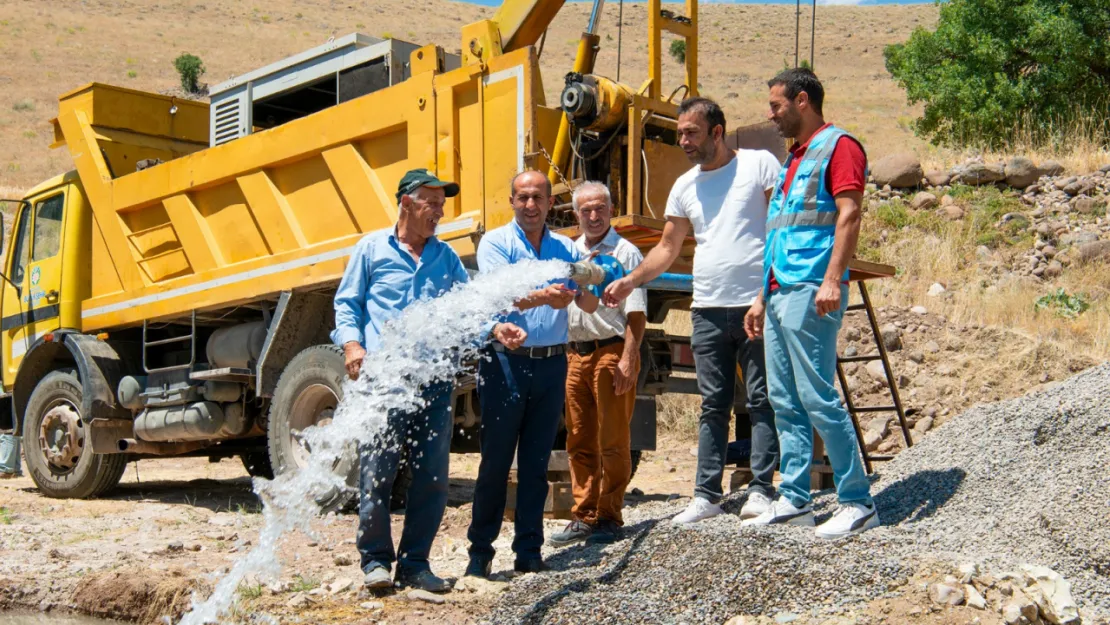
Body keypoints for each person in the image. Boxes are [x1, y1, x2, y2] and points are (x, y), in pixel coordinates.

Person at [333, 168, 527, 592]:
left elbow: (469, 308)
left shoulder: (446, 259)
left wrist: (495, 330)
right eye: (431, 204)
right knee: (377, 473)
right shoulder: (371, 250)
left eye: (441, 205)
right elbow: (347, 305)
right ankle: (376, 562)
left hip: (433, 383)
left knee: (432, 476)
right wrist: (352, 345)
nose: (438, 212)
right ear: (406, 202)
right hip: (384, 382)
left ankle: (416, 563)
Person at [604, 97, 782, 525]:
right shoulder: (685, 185)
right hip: (707, 309)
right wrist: (632, 279)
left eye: (691, 132)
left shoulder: (759, 165)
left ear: (716, 132)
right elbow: (668, 247)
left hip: (754, 305)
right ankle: (706, 495)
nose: (683, 140)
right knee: (712, 405)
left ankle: (761, 489)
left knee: (761, 400)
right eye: (681, 132)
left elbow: (781, 228)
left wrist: (770, 291)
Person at [741, 67, 878, 539]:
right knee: (783, 399)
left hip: (811, 289)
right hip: (780, 291)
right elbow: (778, 233)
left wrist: (833, 279)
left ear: (802, 101)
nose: (771, 114)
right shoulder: (792, 159)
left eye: (776, 105)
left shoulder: (839, 147)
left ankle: (857, 500)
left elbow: (849, 213)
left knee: (818, 396)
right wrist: (761, 296)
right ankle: (795, 499)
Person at [466, 170, 600, 578]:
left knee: (536, 463)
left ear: (549, 203)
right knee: (495, 461)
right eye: (522, 197)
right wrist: (546, 296)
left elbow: (589, 305)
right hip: (506, 360)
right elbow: (496, 294)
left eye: (538, 198)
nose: (530, 205)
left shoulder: (565, 248)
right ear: (511, 201)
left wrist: (593, 289)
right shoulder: (496, 244)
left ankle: (529, 552)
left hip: (552, 363)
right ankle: (480, 554)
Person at [548, 182, 646, 547]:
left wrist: (628, 358)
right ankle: (583, 515)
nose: (593, 216)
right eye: (585, 210)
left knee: (613, 439)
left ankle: (609, 515)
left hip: (610, 349)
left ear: (610, 209)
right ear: (576, 215)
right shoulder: (568, 252)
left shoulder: (626, 253)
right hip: (574, 353)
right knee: (579, 438)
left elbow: (637, 313)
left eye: (600, 208)